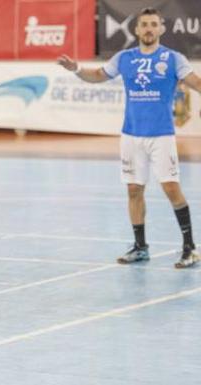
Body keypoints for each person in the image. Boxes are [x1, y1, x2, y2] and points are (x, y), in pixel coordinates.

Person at [57, 7, 201, 268]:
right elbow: (98, 76)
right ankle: (140, 247)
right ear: (136, 30)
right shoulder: (125, 58)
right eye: (144, 24)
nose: (148, 29)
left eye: (153, 24)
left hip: (161, 136)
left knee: (171, 189)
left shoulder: (173, 58)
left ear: (161, 29)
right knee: (134, 190)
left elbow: (196, 82)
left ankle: (189, 248)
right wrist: (76, 68)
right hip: (131, 135)